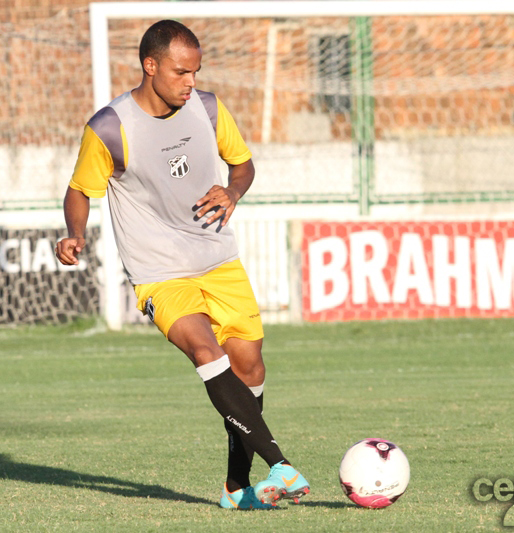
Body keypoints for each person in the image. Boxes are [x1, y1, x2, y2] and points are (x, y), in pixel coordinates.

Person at [55, 20, 309, 510]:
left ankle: (237, 490)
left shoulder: (208, 108)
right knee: (205, 351)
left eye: (196, 71)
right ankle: (281, 464)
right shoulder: (109, 128)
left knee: (249, 365)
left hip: (218, 259)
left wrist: (233, 191)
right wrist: (75, 232)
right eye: (180, 72)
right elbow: (80, 189)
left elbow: (242, 163)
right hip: (159, 271)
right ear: (151, 67)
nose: (191, 82)